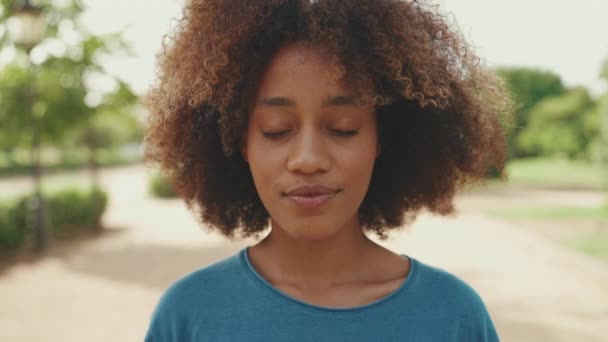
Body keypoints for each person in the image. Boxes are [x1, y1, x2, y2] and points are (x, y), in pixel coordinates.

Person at [143, 0, 511, 341]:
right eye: (276, 128)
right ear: (242, 144)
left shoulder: (453, 317)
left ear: (381, 139)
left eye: (342, 127)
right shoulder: (188, 316)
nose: (308, 159)